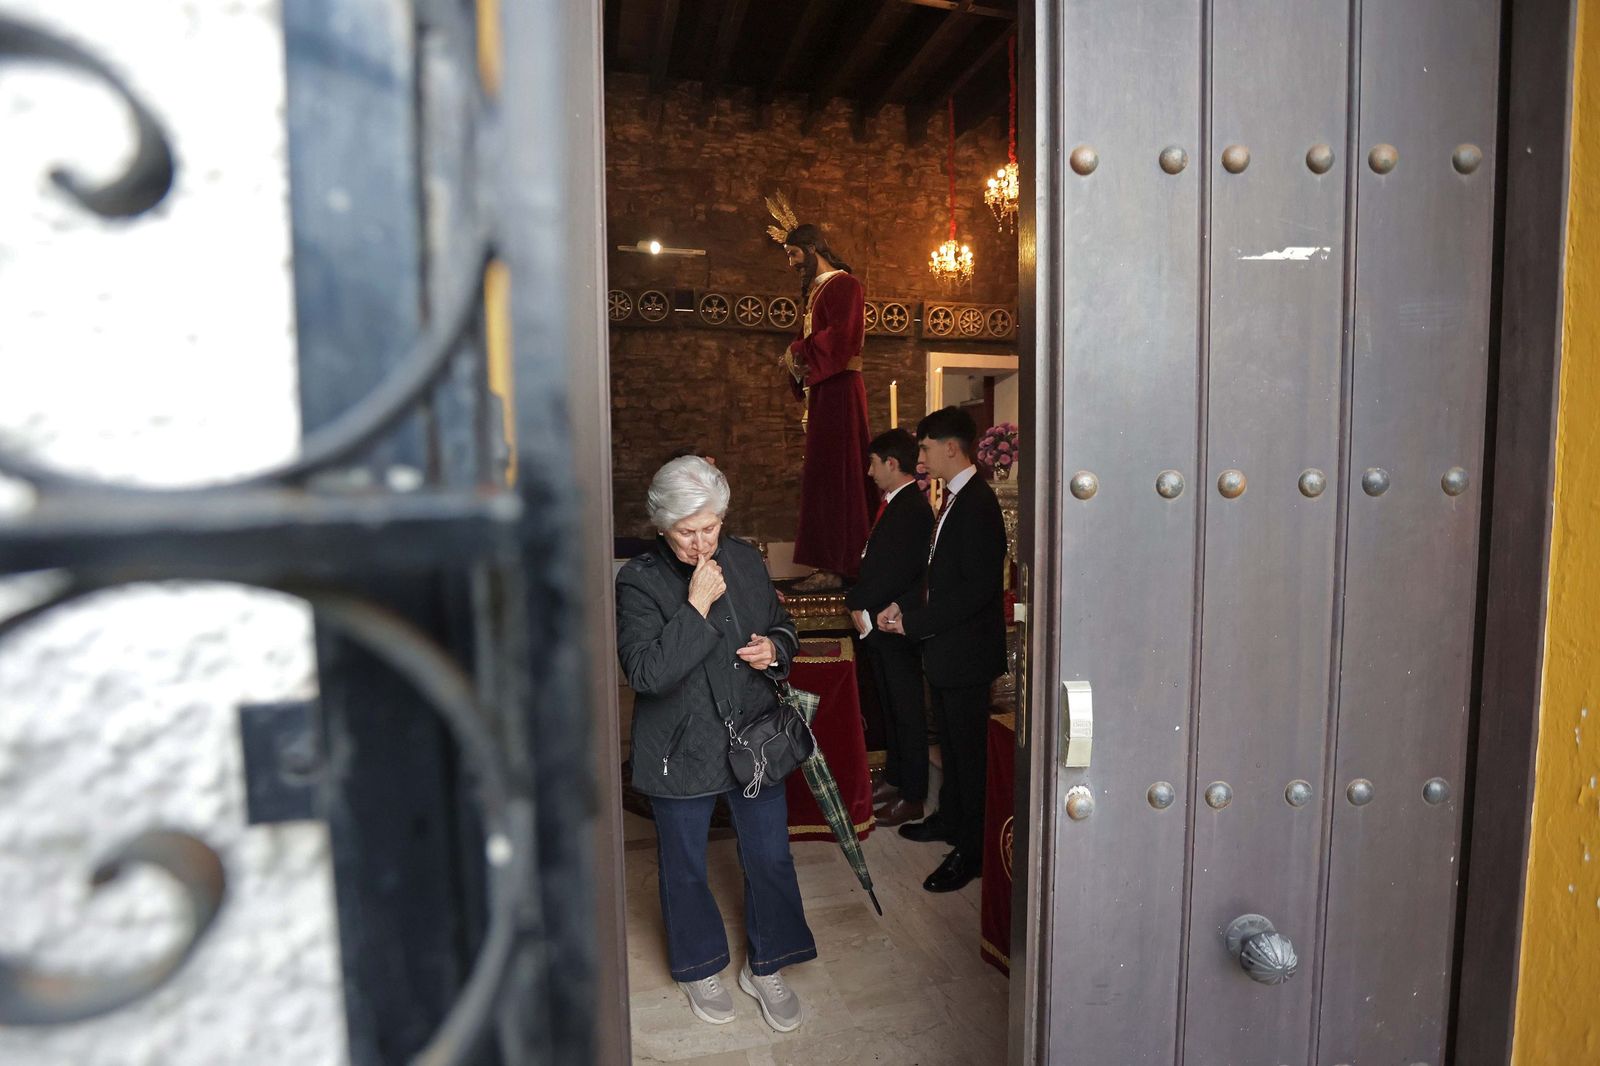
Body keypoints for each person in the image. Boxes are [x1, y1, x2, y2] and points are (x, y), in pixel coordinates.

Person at [615, 456, 815, 1031]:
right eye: (687, 531)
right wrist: (697, 605)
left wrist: (774, 648)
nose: (701, 543)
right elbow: (647, 673)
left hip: (753, 735)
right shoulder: (640, 580)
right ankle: (701, 964)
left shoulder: (746, 559)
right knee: (685, 865)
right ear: (660, 525)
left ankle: (768, 963)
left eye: (711, 528)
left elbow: (783, 623)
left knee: (770, 855)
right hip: (682, 746)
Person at [876, 407, 1008, 893]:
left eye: (926, 448)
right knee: (951, 749)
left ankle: (971, 853)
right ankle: (950, 821)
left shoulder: (978, 503)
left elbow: (975, 591)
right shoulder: (953, 498)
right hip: (948, 650)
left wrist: (915, 621)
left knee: (970, 758)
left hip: (968, 655)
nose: (922, 457)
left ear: (951, 447)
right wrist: (904, 606)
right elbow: (938, 577)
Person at [768, 203, 873, 592]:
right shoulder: (819, 292)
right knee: (825, 476)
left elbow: (841, 338)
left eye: (795, 255)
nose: (793, 263)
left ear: (813, 250)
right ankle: (829, 560)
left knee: (838, 476)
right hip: (826, 393)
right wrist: (798, 360)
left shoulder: (844, 286)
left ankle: (840, 563)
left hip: (840, 391)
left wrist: (797, 352)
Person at [845, 429, 934, 828]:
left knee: (907, 710)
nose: (869, 471)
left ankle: (913, 794)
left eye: (873, 462)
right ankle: (896, 778)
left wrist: (857, 601)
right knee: (890, 707)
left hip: (894, 622)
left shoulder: (911, 508)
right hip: (880, 621)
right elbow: (876, 561)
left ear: (892, 464)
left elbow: (900, 571)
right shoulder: (893, 505)